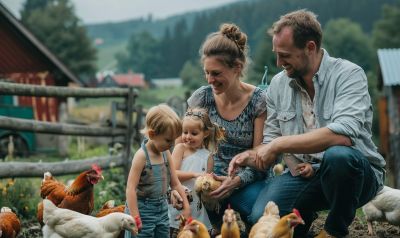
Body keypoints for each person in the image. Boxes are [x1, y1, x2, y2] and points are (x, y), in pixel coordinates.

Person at [229, 9, 386, 238]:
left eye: (285, 55)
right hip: (302, 173)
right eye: (276, 54)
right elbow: (271, 143)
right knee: (262, 218)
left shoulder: (349, 75)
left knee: (339, 156)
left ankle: (334, 230)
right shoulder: (278, 85)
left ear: (310, 47)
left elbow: (343, 136)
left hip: (355, 176)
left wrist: (279, 145)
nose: (278, 62)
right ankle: (304, 224)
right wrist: (250, 156)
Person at [187, 23, 267, 232]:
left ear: (237, 68)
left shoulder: (258, 102)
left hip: (245, 180)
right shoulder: (202, 98)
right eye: (207, 73)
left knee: (259, 216)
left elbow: (262, 158)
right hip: (206, 181)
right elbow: (180, 145)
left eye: (216, 73)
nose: (210, 80)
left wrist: (236, 181)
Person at [125, 104, 191, 238]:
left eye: (173, 140)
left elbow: (175, 183)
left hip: (161, 208)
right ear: (152, 134)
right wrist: (135, 217)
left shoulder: (166, 153)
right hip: (142, 210)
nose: (172, 144)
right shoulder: (141, 156)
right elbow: (130, 189)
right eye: (168, 140)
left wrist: (186, 207)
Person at [168, 107, 225, 237]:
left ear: (205, 133)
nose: (187, 137)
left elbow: (205, 184)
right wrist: (194, 174)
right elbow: (172, 174)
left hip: (196, 205)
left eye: (193, 133)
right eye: (185, 132)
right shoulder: (180, 148)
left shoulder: (208, 156)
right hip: (179, 199)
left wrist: (211, 187)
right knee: (176, 231)